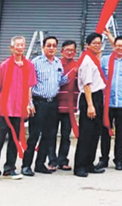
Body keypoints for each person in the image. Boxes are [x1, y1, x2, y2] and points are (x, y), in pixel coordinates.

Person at [0, 36, 36, 183]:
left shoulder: (29, 66)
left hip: (19, 110)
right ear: (12, 48)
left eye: (23, 45)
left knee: (15, 141)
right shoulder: (4, 65)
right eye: (17, 45)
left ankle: (9, 169)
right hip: (4, 109)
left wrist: (30, 104)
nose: (20, 47)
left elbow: (29, 87)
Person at [21, 36, 68, 177]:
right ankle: (26, 165)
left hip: (52, 103)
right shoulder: (35, 63)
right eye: (49, 45)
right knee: (34, 135)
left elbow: (60, 81)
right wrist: (29, 103)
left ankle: (40, 164)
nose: (51, 48)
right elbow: (28, 84)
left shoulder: (58, 63)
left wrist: (72, 74)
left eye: (54, 45)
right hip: (38, 102)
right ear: (43, 47)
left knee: (49, 135)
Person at [97, 35, 122, 170]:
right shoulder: (104, 60)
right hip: (106, 103)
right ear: (113, 46)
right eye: (118, 45)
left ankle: (119, 159)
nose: (120, 48)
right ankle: (103, 159)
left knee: (121, 133)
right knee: (105, 132)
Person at [73, 33, 107, 178]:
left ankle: (89, 163)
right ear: (87, 45)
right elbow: (86, 84)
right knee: (86, 134)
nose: (97, 46)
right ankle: (80, 166)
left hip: (97, 96)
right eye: (94, 43)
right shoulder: (86, 60)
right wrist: (90, 105)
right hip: (89, 98)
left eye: (99, 43)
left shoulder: (94, 59)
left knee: (95, 133)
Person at [50, 40, 79, 170]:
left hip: (70, 107)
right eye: (67, 50)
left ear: (75, 52)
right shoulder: (56, 64)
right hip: (55, 104)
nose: (69, 52)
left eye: (72, 50)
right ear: (61, 51)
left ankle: (63, 160)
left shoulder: (78, 66)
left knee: (66, 135)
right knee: (51, 134)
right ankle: (52, 160)